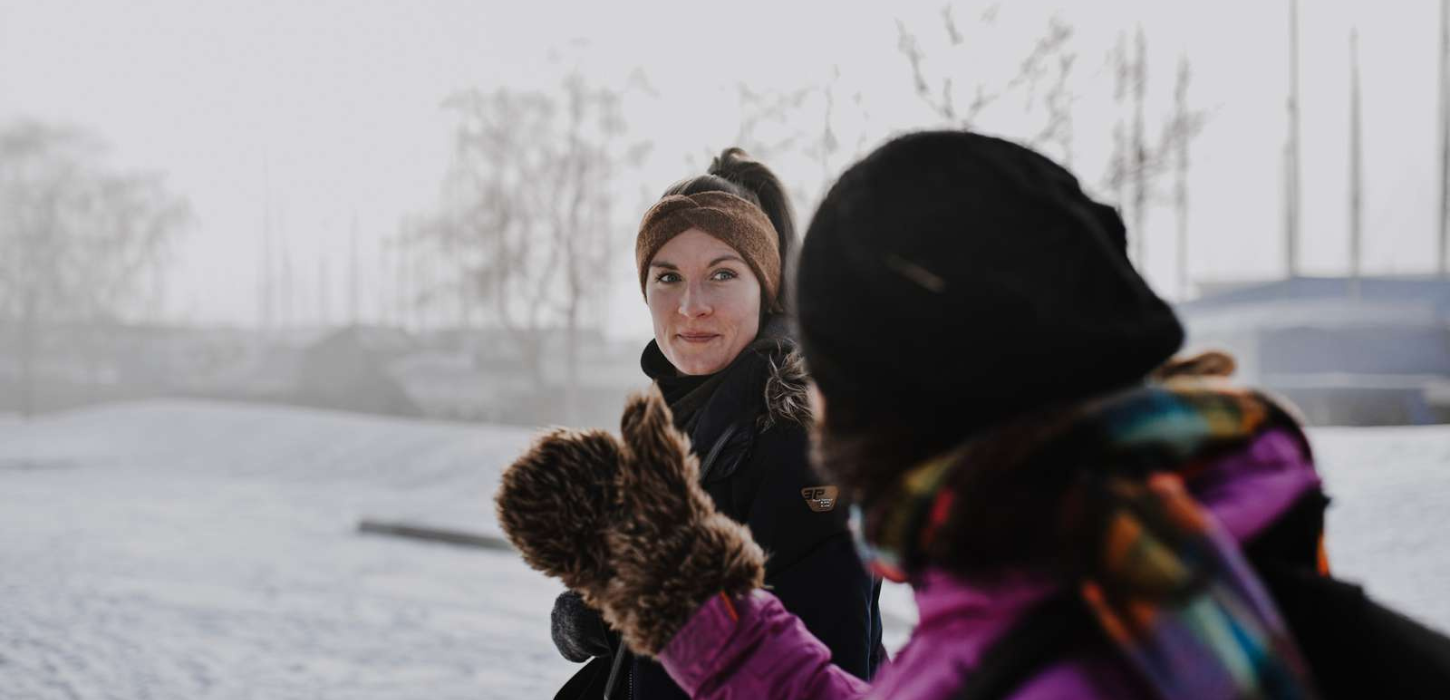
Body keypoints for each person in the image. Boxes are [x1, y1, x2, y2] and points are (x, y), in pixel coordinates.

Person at [497, 132, 1448, 698]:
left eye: (841, 381)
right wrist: (683, 596)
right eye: (666, 277)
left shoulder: (1047, 638)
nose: (690, 305)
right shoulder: (1197, 565)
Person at [537, 147, 883, 700]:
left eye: (722, 274)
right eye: (667, 276)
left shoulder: (797, 444)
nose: (690, 304)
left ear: (764, 288)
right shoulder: (677, 424)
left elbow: (828, 674)